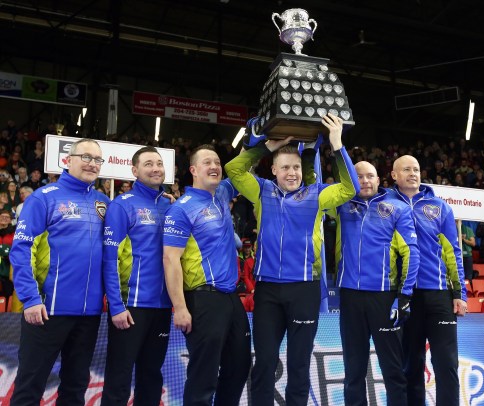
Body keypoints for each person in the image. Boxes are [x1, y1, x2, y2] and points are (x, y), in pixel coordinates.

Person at [225, 113, 359, 405]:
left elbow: (351, 189)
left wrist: (337, 145)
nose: (292, 173)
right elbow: (233, 170)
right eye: (285, 167)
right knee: (264, 363)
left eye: (296, 167)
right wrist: (267, 146)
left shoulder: (316, 195)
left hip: (304, 290)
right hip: (268, 291)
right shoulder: (261, 191)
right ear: (273, 170)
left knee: (299, 367)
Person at [9, 138, 110, 406]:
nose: (92, 164)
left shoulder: (103, 203)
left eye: (97, 160)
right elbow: (21, 251)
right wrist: (30, 299)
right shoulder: (44, 198)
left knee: (75, 390)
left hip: (88, 315)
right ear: (68, 160)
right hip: (45, 311)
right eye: (86, 157)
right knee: (29, 388)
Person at [163, 144, 251, 406]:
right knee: (204, 376)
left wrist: (258, 141)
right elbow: (170, 259)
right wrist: (179, 307)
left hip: (230, 298)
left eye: (217, 162)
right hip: (203, 299)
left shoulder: (222, 193)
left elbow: (241, 167)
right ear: (193, 170)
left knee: (239, 366)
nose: (214, 166)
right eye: (207, 163)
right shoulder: (181, 208)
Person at [333, 161, 419, 406]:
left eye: (370, 176)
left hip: (384, 299)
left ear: (379, 179)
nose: (365, 181)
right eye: (358, 177)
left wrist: (404, 295)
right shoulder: (341, 205)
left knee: (393, 370)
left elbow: (412, 252)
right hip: (350, 298)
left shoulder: (397, 208)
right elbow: (317, 187)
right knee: (353, 371)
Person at [390, 155, 467, 406]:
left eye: (416, 169)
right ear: (394, 175)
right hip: (405, 297)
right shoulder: (386, 204)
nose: (413, 173)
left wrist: (459, 294)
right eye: (406, 169)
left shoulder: (440, 206)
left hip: (439, 295)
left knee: (446, 364)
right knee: (411, 365)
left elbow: (453, 252)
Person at [101, 146, 173, 406]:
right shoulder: (122, 205)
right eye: (148, 164)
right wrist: (116, 307)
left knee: (151, 376)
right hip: (131, 307)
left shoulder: (170, 206)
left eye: (159, 163)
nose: (156, 168)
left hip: (163, 307)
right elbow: (109, 259)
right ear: (134, 170)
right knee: (119, 378)